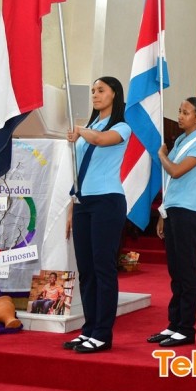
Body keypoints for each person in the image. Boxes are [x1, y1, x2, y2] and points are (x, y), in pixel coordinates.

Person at [63, 77, 131, 353]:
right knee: (86, 271)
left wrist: (80, 130)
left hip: (107, 201)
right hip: (83, 202)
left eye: (101, 90)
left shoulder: (121, 126)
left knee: (103, 269)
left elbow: (102, 141)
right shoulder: (90, 126)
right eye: (92, 91)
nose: (95, 94)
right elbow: (79, 170)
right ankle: (89, 329)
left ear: (115, 94)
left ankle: (103, 333)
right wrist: (72, 207)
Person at [146, 97, 196, 347]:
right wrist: (163, 213)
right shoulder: (181, 141)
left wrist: (161, 155)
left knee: (186, 271)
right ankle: (174, 324)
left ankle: (186, 328)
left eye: (186, 112)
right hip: (173, 209)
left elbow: (175, 171)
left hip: (188, 210)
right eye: (179, 111)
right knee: (175, 272)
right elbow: (170, 183)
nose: (180, 116)